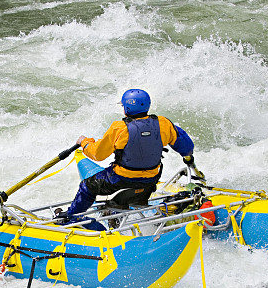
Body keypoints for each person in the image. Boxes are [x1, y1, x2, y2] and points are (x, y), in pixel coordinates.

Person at [61, 88, 196, 221]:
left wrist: (85, 142)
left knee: (87, 186)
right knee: (140, 177)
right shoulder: (163, 124)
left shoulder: (119, 128)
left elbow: (97, 154)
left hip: (120, 180)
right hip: (150, 180)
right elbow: (187, 147)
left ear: (127, 109)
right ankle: (125, 202)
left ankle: (71, 217)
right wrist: (188, 157)